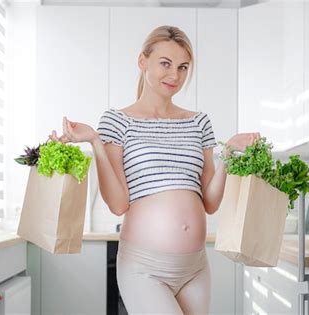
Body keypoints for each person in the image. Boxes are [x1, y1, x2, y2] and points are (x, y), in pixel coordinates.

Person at [49, 25, 260, 315]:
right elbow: (118, 203)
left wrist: (228, 153)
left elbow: (210, 203)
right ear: (142, 61)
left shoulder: (198, 122)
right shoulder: (117, 121)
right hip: (143, 267)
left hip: (195, 267)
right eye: (165, 63)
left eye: (183, 67)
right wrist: (96, 141)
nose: (175, 75)